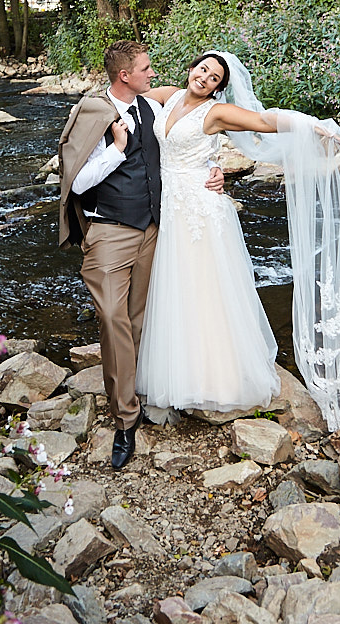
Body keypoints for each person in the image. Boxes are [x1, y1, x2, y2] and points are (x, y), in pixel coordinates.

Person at [135, 51, 340, 431]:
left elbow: (263, 121)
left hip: (200, 209)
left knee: (207, 290)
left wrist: (309, 124)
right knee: (176, 288)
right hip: (171, 206)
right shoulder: (168, 96)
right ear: (190, 68)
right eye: (202, 69)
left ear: (219, 87)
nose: (204, 78)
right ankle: (177, 369)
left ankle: (218, 379)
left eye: (214, 78)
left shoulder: (215, 113)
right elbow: (129, 100)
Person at [58, 40, 224, 469]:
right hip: (110, 232)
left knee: (138, 317)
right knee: (112, 319)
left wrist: (214, 170)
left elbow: (183, 144)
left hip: (152, 229)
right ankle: (124, 421)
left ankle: (143, 391)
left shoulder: (153, 107)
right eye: (146, 68)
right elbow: (77, 183)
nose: (154, 73)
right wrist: (116, 147)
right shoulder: (94, 114)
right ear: (124, 76)